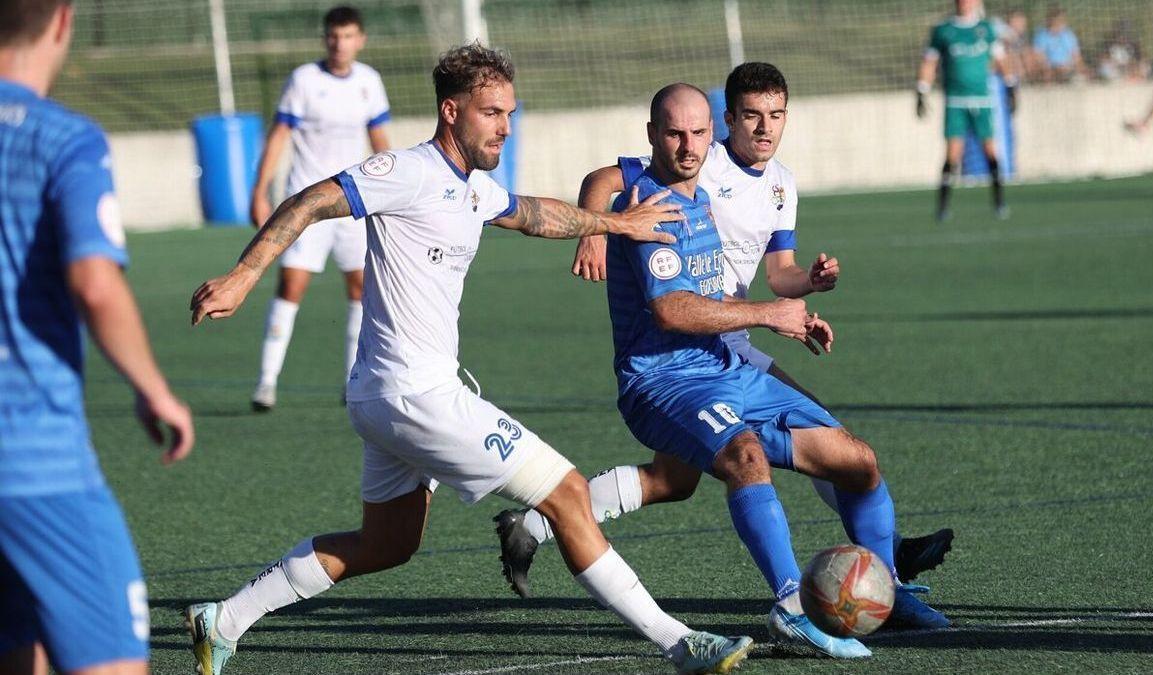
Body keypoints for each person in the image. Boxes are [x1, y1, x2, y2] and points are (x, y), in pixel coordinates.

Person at [186, 43, 751, 675]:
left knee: (388, 543)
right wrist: (242, 275)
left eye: (510, 112)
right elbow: (309, 202)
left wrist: (614, 225)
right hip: (415, 394)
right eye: (491, 112)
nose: (505, 126)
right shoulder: (406, 171)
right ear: (451, 111)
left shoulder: (473, 188)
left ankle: (224, 618)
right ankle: (681, 645)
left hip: (386, 397)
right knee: (566, 494)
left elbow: (535, 214)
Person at [510, 82, 950, 661]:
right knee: (744, 457)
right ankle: (793, 606)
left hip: (726, 360)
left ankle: (886, 590)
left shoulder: (744, 190)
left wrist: (794, 305)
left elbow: (773, 272)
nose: (688, 145)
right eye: (674, 134)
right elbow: (671, 308)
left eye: (696, 133)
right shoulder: (651, 208)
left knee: (856, 460)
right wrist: (596, 228)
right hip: (664, 381)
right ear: (654, 136)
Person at [0, 2, 195, 674]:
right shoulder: (64, 138)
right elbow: (94, 282)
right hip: (34, 461)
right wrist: (154, 389)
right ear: (61, 20)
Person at [248, 5, 391, 411]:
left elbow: (380, 140)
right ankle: (266, 383)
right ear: (324, 38)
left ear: (359, 40)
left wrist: (392, 191)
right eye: (333, 36)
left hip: (352, 202)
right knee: (291, 285)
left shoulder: (369, 82)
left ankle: (352, 383)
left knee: (360, 289)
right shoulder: (304, 80)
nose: (339, 44)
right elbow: (278, 136)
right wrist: (260, 191)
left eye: (347, 36)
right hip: (306, 204)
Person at [917, 0, 1018, 222]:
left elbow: (1001, 59)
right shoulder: (944, 30)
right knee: (952, 153)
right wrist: (921, 90)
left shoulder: (986, 29)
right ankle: (943, 207)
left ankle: (999, 203)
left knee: (990, 150)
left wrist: (1011, 86)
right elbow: (929, 61)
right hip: (956, 101)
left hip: (982, 101)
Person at [1032, 8, 1088, 83]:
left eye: (1063, 21)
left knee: (1085, 73)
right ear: (1052, 21)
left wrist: (1081, 68)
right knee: (1047, 72)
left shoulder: (1068, 35)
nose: (1062, 23)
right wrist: (1053, 67)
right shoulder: (1041, 35)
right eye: (1059, 20)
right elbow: (1039, 57)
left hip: (1068, 67)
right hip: (1050, 68)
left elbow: (1076, 56)